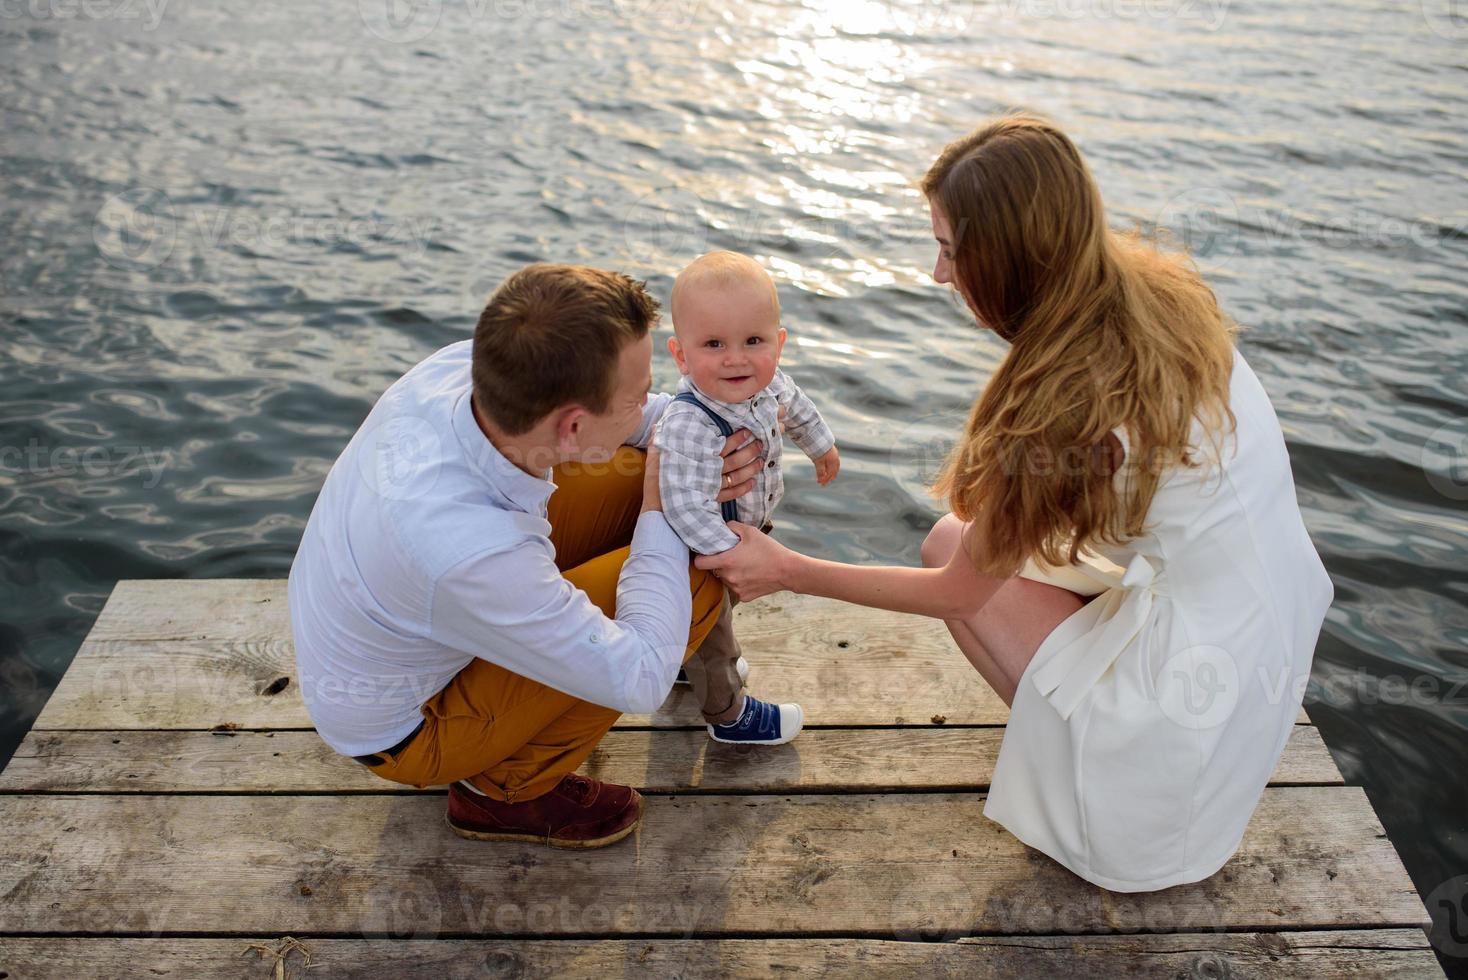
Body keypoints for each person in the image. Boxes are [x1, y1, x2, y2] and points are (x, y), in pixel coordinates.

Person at [696, 114, 1335, 892]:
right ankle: (1072, 746)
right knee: (976, 539)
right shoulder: (1154, 293)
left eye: (949, 249)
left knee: (945, 547)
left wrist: (789, 568)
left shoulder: (1067, 396)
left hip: (1173, 721)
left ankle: (1086, 776)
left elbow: (959, 588)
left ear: (1005, 258)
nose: (938, 273)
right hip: (1259, 642)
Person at [287, 263, 768, 849]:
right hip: (411, 728)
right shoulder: (469, 549)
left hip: (422, 617)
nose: (654, 401)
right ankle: (501, 791)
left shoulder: (463, 372)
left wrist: (697, 436)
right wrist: (663, 502)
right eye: (640, 395)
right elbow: (639, 679)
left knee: (663, 478)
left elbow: (642, 430)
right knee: (700, 569)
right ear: (571, 425)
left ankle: (650, 631)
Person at [654, 250, 839, 745]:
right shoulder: (689, 421)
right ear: (681, 354)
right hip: (704, 553)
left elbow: (798, 406)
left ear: (778, 343)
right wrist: (727, 553)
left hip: (749, 531)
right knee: (716, 629)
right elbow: (682, 504)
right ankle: (728, 713)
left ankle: (680, 662)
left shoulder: (769, 381)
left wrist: (821, 447)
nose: (736, 357)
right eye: (714, 343)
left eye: (753, 340)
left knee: (720, 615)